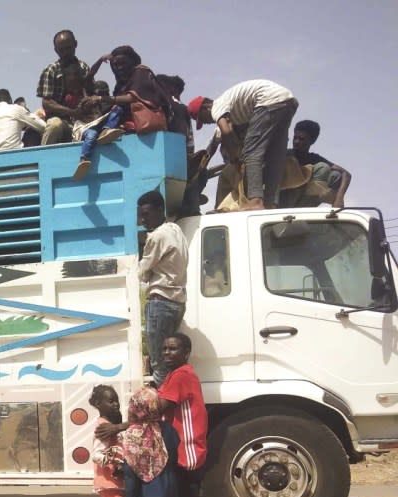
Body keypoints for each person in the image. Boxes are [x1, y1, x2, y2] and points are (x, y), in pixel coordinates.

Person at [157, 333, 212, 497]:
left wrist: (121, 425)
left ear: (186, 352)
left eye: (173, 349)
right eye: (165, 348)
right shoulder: (176, 375)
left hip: (186, 459)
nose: (167, 353)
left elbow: (156, 408)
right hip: (181, 457)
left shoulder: (181, 375)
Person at [188, 80, 298, 210]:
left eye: (202, 119)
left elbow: (226, 131)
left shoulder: (217, 106)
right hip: (288, 101)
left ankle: (255, 201)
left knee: (251, 154)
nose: (207, 122)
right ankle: (271, 202)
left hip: (268, 102)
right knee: (275, 157)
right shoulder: (233, 107)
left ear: (206, 107)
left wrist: (235, 157)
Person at [137, 189, 188, 387]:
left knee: (159, 363)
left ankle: (163, 411)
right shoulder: (176, 230)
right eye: (141, 215)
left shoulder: (157, 236)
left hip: (160, 303)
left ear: (160, 210)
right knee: (172, 363)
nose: (143, 220)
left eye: (146, 214)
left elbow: (142, 272)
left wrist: (147, 273)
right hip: (177, 302)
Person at [64, 69, 124, 180]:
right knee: (92, 135)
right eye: (100, 93)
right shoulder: (87, 101)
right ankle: (84, 158)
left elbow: (113, 113)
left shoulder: (107, 101)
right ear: (95, 92)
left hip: (101, 126)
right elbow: (88, 77)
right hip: (86, 127)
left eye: (105, 93)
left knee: (118, 109)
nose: (103, 96)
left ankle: (106, 131)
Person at [37, 29, 93, 145]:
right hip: (61, 120)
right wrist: (72, 112)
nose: (65, 53)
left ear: (75, 44)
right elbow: (47, 103)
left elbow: (91, 93)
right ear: (56, 50)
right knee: (54, 125)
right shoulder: (51, 70)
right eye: (61, 50)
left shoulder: (84, 68)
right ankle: (44, 159)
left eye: (68, 48)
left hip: (84, 119)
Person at [90, 385, 127, 497]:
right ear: (98, 404)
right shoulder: (103, 427)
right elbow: (96, 454)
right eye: (110, 401)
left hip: (114, 485)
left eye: (117, 400)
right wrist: (116, 464)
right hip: (110, 484)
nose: (116, 404)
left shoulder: (111, 424)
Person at [290, 119, 351, 207]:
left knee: (335, 175)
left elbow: (346, 174)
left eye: (301, 139)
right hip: (285, 198)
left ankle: (305, 209)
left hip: (303, 201)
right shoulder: (286, 155)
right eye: (295, 138)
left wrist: (339, 199)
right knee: (323, 168)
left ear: (312, 141)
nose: (296, 142)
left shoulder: (314, 159)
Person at [0, 88, 46, 153]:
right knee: (32, 131)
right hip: (18, 158)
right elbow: (43, 126)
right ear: (10, 100)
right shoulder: (16, 108)